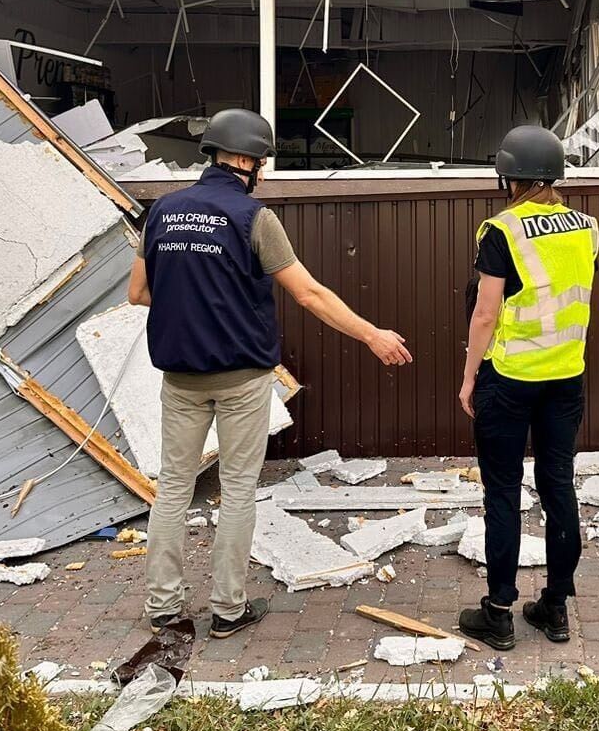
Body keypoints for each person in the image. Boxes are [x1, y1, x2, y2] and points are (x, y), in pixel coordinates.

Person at [128, 108, 411, 639]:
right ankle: (228, 610)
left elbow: (138, 293)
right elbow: (308, 293)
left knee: (172, 489)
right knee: (236, 490)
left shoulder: (160, 213)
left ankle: (163, 607)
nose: (264, 172)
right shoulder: (254, 218)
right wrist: (371, 334)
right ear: (242, 161)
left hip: (180, 380)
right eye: (261, 162)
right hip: (241, 381)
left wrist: (191, 304)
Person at [457, 125, 599, 651]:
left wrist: (471, 376)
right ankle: (554, 607)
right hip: (566, 377)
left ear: (509, 178)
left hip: (510, 378)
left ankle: (498, 612)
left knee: (502, 492)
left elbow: (485, 312)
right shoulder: (587, 227)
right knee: (558, 485)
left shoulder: (500, 231)